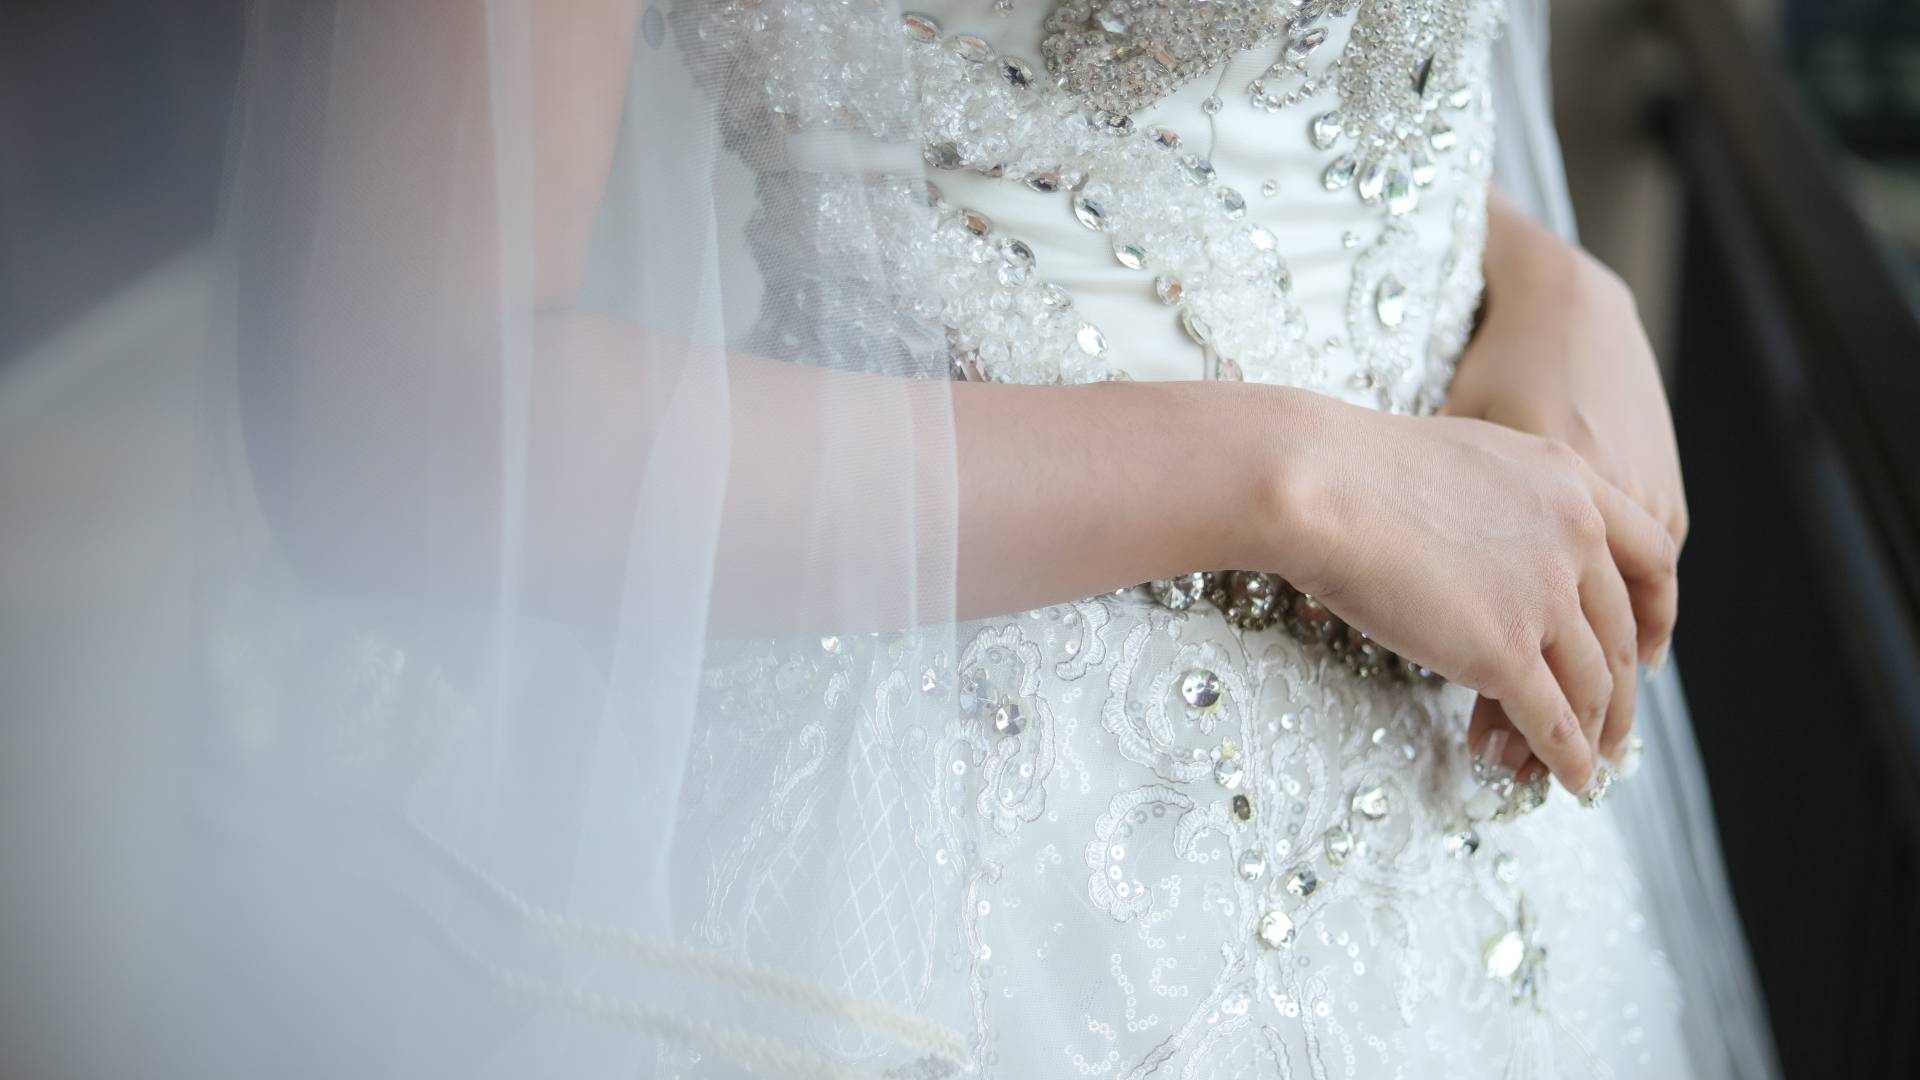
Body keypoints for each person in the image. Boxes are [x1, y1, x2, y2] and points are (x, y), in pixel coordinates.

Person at [160, 1, 1777, 1077]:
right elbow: (398, 422)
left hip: (1483, 894)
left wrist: (1548, 278)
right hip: (952, 901)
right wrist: (1289, 477)